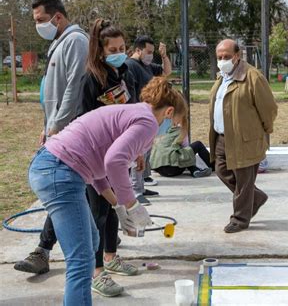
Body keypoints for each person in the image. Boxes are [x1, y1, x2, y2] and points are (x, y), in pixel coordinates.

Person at [28, 77, 187, 305]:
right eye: (173, 123)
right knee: (82, 260)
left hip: (52, 166)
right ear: (169, 111)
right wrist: (132, 205)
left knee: (92, 240)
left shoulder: (132, 112)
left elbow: (98, 169)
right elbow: (114, 161)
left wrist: (118, 206)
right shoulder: (148, 121)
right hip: (59, 172)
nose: (168, 128)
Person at [14, 0, 88, 275]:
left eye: (41, 20)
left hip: (70, 132)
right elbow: (53, 93)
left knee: (64, 191)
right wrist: (47, 126)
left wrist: (57, 125)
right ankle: (103, 240)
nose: (39, 26)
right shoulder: (59, 43)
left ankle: (45, 251)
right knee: (78, 192)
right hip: (57, 129)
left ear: (58, 17)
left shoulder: (75, 41)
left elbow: (73, 88)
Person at [80, 18, 140, 297]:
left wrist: (137, 150)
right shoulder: (91, 79)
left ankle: (111, 256)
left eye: (122, 47)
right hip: (95, 158)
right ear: (100, 51)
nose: (119, 52)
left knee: (117, 210)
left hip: (120, 155)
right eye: (112, 48)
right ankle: (95, 272)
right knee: (98, 213)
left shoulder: (125, 73)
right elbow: (85, 122)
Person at [209, 39, 278, 233]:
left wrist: (264, 131)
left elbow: (269, 108)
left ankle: (240, 219)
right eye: (219, 57)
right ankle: (255, 198)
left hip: (245, 139)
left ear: (237, 56)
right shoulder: (221, 77)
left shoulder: (253, 77)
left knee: (243, 181)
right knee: (221, 170)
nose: (222, 61)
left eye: (227, 57)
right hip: (222, 137)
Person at [125, 36, 172, 198]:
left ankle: (141, 185)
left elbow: (167, 72)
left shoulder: (147, 66)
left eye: (153, 52)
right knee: (137, 153)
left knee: (144, 153)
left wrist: (164, 55)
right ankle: (135, 190)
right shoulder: (131, 66)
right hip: (137, 116)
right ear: (138, 50)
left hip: (148, 116)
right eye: (148, 52)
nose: (151, 55)